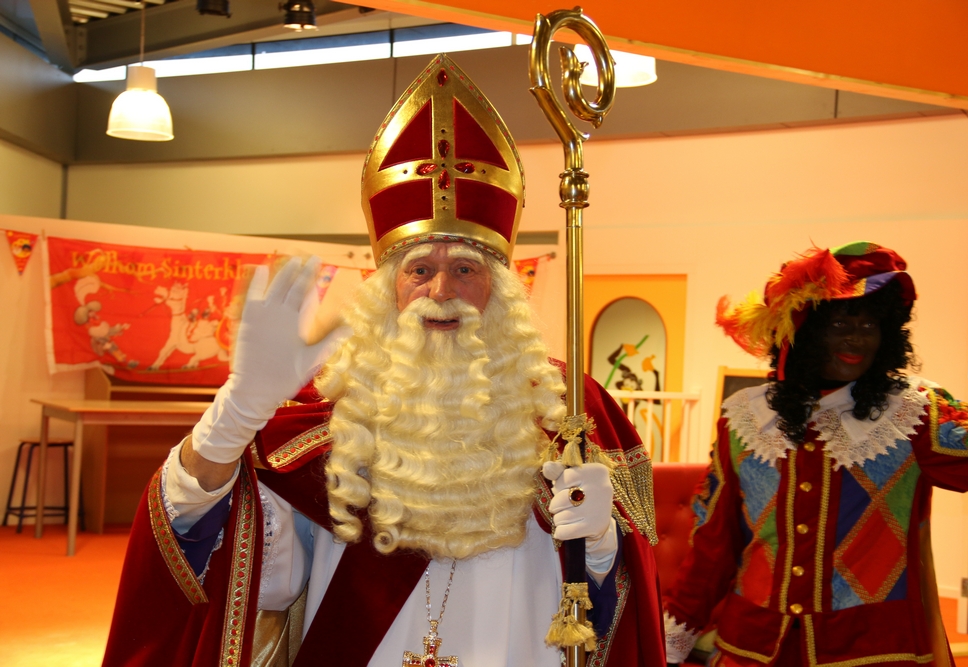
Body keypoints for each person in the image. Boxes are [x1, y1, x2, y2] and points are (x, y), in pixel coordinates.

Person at [102, 54, 666, 667]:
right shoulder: (334, 408)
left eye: (466, 269)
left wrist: (604, 547)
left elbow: (625, 616)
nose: (441, 291)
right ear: (389, 290)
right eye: (419, 270)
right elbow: (233, 567)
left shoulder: (573, 408)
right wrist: (236, 413)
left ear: (502, 291)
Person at [663, 241, 968, 667]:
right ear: (803, 330)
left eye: (870, 324)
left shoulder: (913, 414)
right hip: (752, 647)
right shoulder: (745, 418)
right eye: (840, 322)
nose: (857, 337)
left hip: (872, 650)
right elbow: (714, 545)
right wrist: (672, 642)